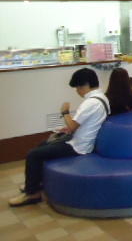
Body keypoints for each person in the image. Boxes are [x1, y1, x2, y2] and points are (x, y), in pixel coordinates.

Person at [9, 68, 110, 207]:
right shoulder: (102, 97)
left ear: (85, 85)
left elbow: (72, 126)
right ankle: (35, 183)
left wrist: (65, 112)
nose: (77, 91)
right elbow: (83, 124)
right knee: (43, 145)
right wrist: (67, 128)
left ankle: (32, 194)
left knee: (33, 154)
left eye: (77, 88)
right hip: (82, 140)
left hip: (78, 146)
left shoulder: (90, 103)